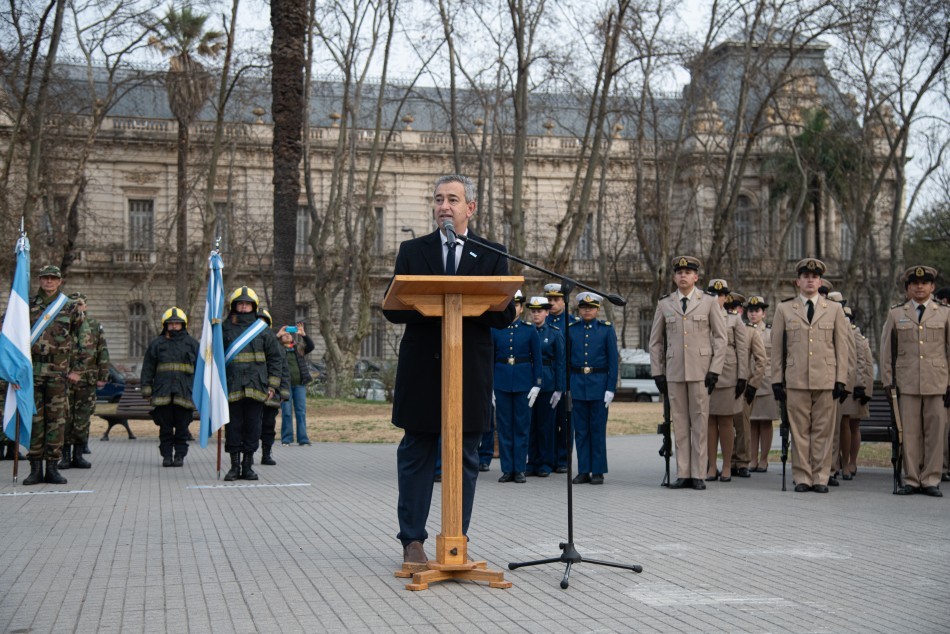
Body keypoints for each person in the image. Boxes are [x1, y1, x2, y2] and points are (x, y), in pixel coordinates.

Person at [382, 174, 515, 566]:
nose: (444, 206)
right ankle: (412, 541)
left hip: (468, 371)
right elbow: (392, 308)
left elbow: (504, 315)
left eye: (453, 199)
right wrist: (438, 302)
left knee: (467, 456)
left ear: (470, 208)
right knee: (417, 453)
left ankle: (457, 537)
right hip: (423, 369)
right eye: (439, 199)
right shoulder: (413, 250)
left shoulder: (491, 253)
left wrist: (469, 304)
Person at [771, 258, 853, 493]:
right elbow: (777, 348)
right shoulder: (784, 308)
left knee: (823, 431)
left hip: (825, 378)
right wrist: (777, 379)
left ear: (820, 281)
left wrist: (841, 379)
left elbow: (842, 347)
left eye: (814, 277)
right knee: (799, 430)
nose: (810, 280)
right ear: (798, 281)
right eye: (805, 277)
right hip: (796, 379)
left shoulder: (834, 309)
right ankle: (803, 477)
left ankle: (820, 477)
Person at [649, 256, 727, 490]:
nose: (683, 275)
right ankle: (683, 472)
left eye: (688, 271)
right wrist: (657, 373)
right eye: (679, 272)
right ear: (674, 277)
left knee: (700, 423)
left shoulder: (709, 301)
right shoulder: (665, 303)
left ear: (696, 276)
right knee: (680, 424)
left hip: (701, 371)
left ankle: (698, 474)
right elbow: (655, 342)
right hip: (674, 372)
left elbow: (721, 338)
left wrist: (715, 370)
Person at [880, 265, 950, 497]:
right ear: (908, 288)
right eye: (914, 284)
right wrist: (889, 382)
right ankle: (911, 479)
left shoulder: (945, 313)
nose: (919, 287)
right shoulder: (896, 314)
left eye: (924, 283)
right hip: (907, 382)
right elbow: (887, 352)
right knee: (909, 432)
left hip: (937, 382)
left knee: (935, 432)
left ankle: (930, 479)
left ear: (932, 287)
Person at [22, 265, 83, 485]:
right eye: (45, 278)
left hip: (58, 373)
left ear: (59, 281)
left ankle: (53, 468)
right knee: (35, 419)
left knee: (56, 421)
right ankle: (35, 468)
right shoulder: (26, 305)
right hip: (32, 372)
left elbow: (80, 341)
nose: (48, 282)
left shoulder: (69, 307)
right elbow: (11, 335)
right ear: (39, 280)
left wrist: (77, 369)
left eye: (52, 278)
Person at [221, 287, 283, 481]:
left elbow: (275, 359)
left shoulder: (263, 331)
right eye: (240, 303)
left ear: (254, 306)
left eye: (247, 304)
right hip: (232, 387)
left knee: (253, 427)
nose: (244, 306)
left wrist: (272, 386)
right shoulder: (223, 329)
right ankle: (233, 467)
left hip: (257, 387)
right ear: (234, 306)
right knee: (233, 427)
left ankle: (247, 466)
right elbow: (214, 358)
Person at [568, 292, 618, 485]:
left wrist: (610, 388)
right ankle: (583, 470)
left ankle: (597, 470)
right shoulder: (572, 329)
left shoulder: (606, 329)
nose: (587, 310)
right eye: (583, 307)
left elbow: (613, 361)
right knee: (580, 431)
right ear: (579, 309)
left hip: (599, 385)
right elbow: (566, 361)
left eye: (591, 307)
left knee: (597, 430)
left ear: (597, 309)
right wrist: (567, 387)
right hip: (578, 384)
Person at [492, 291, 542, 483]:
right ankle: (507, 469)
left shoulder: (530, 330)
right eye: (510, 306)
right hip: (502, 383)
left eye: (517, 305)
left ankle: (519, 469)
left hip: (523, 384)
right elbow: (490, 360)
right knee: (504, 428)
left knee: (521, 428)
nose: (514, 309)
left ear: (521, 309)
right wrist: (490, 387)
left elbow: (536, 360)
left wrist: (537, 385)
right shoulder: (496, 330)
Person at [140, 307, 199, 467]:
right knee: (165, 429)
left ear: (183, 325)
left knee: (182, 428)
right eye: (170, 323)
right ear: (165, 325)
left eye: (177, 323)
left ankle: (179, 455)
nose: (173, 326)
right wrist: (146, 389)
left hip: (185, 393)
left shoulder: (192, 344)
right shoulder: (157, 344)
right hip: (162, 393)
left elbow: (202, 370)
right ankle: (166, 456)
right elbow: (148, 368)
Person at [704, 281, 749, 483]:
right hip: (706, 374)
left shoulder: (733, 319)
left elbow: (742, 350)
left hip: (728, 374)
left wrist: (742, 377)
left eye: (720, 294)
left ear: (725, 298)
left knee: (726, 422)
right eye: (712, 293)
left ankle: (728, 465)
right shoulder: (702, 315)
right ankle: (712, 465)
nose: (716, 297)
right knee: (709, 422)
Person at [58, 293, 109, 471]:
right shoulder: (62, 323)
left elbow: (101, 350)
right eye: (74, 304)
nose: (77, 307)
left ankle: (78, 454)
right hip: (64, 378)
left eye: (80, 304)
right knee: (64, 417)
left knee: (82, 418)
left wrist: (103, 375)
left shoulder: (94, 325)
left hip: (87, 379)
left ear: (85, 306)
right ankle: (64, 455)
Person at [525, 296, 564, 477]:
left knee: (546, 426)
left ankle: (546, 463)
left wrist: (559, 388)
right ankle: (532, 461)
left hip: (548, 384)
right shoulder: (527, 331)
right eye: (533, 311)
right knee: (531, 425)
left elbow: (560, 362)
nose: (536, 314)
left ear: (547, 312)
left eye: (539, 311)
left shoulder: (555, 333)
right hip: (529, 381)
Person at [729, 292, 765, 478]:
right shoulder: (720, 327)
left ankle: (742, 461)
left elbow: (761, 360)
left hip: (744, 386)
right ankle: (729, 460)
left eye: (734, 308)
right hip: (725, 384)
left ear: (740, 310)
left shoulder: (750, 331)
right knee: (726, 425)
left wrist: (753, 385)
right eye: (728, 308)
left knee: (742, 426)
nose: (731, 312)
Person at [544, 282, 579, 473]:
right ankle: (548, 458)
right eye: (549, 299)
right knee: (548, 422)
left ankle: (564, 459)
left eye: (556, 299)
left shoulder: (572, 324)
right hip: (548, 380)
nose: (552, 303)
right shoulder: (543, 322)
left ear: (564, 302)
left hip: (567, 379)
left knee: (565, 422)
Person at [839, 306, 873, 480]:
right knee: (841, 425)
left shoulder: (855, 333)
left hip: (854, 387)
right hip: (841, 384)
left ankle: (851, 461)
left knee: (852, 425)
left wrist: (862, 387)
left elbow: (862, 361)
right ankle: (839, 460)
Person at [746, 296, 777, 472]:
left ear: (763, 313)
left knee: (765, 422)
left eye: (757, 310)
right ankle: (752, 459)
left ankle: (764, 459)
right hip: (749, 381)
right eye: (750, 310)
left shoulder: (770, 332)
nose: (753, 314)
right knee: (750, 422)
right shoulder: (743, 330)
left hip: (766, 381)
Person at [259, 308, 290, 466]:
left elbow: (283, 369)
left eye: (263, 322)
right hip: (253, 392)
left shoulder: (276, 346)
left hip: (272, 393)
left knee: (268, 426)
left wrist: (283, 392)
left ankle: (266, 453)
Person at [279, 320, 314, 447]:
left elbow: (311, 347)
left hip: (299, 385)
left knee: (301, 411)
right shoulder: (278, 349)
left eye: (289, 333)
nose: (287, 335)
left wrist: (304, 334)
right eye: (284, 334)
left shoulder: (298, 347)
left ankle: (303, 439)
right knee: (287, 412)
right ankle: (286, 439)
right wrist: (277, 335)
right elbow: (269, 346)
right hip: (285, 386)